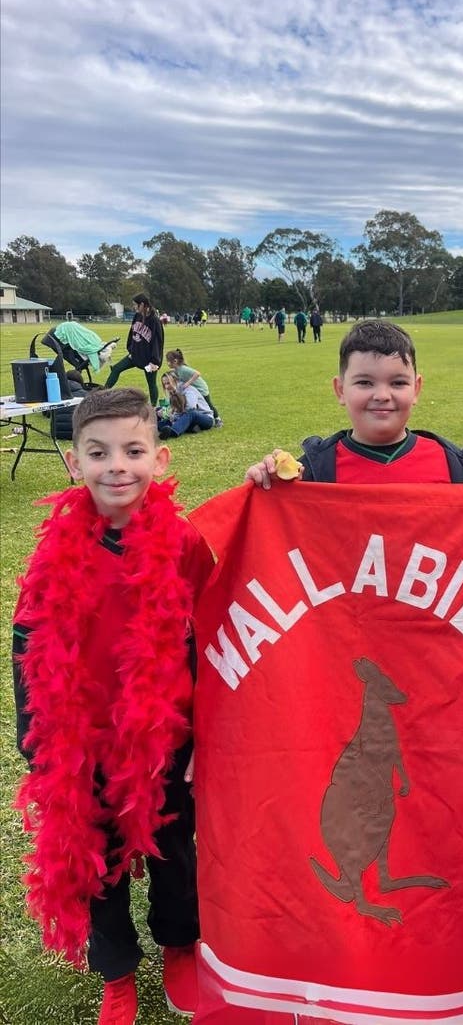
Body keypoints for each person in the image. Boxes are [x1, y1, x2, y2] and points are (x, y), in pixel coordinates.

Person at [11, 388, 214, 1025]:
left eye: (133, 450)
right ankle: (118, 972)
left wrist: (205, 735)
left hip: (167, 737)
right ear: (75, 464)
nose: (117, 466)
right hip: (85, 745)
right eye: (98, 453)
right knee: (97, 870)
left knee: (175, 852)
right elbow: (29, 644)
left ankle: (180, 944)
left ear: (158, 455)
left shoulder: (184, 542)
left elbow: (217, 637)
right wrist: (37, 742)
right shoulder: (56, 549)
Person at [245, 319, 463, 494]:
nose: (382, 395)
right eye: (364, 383)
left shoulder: (450, 463)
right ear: (340, 390)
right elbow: (278, 539)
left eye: (398, 383)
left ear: (417, 389)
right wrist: (267, 485)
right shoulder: (316, 468)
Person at [105, 294, 164, 406]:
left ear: (142, 304)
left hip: (149, 359)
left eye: (135, 304)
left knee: (151, 383)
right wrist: (131, 350)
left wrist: (154, 361)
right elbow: (132, 333)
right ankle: (102, 394)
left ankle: (153, 407)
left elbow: (158, 341)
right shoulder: (137, 316)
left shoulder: (154, 320)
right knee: (116, 369)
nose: (134, 307)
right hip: (135, 355)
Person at [165, 348, 222, 426]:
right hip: (194, 390)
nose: (167, 363)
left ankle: (218, 419)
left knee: (208, 404)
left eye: (168, 361)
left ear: (175, 361)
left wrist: (188, 383)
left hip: (201, 389)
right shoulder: (177, 370)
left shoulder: (183, 369)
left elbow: (197, 373)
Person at [158, 371, 214, 439]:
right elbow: (173, 408)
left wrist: (173, 416)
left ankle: (173, 431)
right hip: (187, 418)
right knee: (162, 414)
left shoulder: (188, 390)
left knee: (190, 413)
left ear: (175, 381)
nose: (166, 387)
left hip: (205, 418)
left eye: (168, 383)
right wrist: (162, 411)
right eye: (164, 384)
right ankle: (153, 427)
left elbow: (191, 407)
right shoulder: (173, 392)